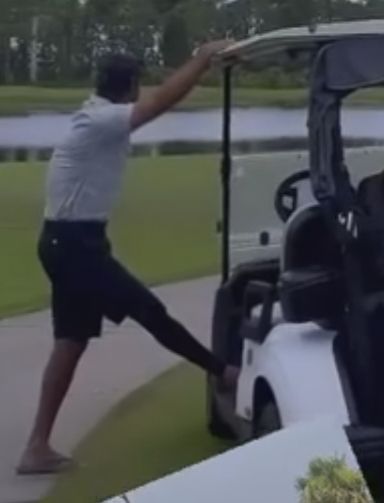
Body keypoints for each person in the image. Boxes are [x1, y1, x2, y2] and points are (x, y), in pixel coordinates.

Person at [16, 40, 238, 475]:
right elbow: (161, 101)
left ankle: (36, 448)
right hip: (73, 245)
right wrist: (203, 58)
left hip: (72, 242)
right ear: (130, 86)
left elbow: (160, 100)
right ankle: (223, 372)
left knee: (71, 343)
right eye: (140, 82)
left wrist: (201, 65)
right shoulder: (102, 120)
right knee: (148, 309)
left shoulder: (99, 116)